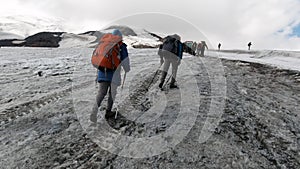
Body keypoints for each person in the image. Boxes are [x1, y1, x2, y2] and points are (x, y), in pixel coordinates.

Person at [90, 29, 130, 123]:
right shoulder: (121, 45)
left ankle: (93, 112)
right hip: (114, 74)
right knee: (112, 93)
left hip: (102, 71)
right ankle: (108, 112)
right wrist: (127, 68)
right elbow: (125, 60)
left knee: (101, 93)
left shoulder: (103, 42)